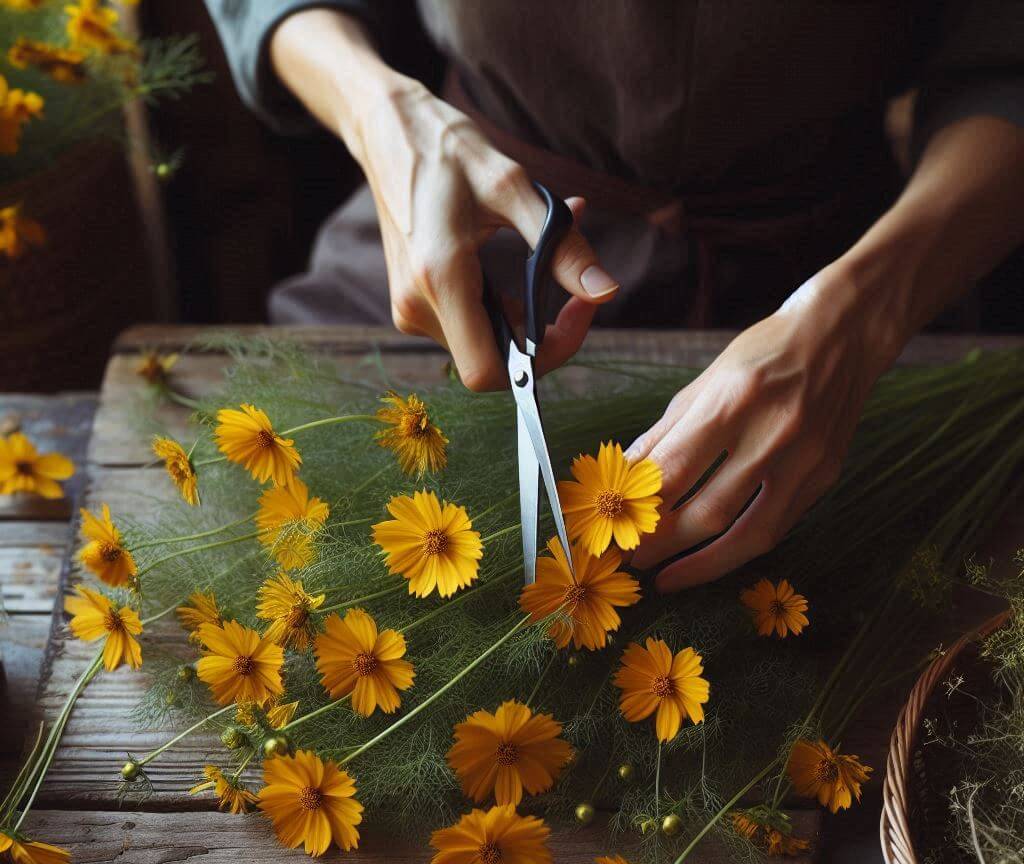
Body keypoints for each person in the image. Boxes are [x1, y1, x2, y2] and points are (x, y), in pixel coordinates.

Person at [206, 2, 1024, 592]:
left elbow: (1005, 69)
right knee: (273, 540)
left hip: (869, 255)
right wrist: (381, 114)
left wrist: (858, 314)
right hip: (464, 221)